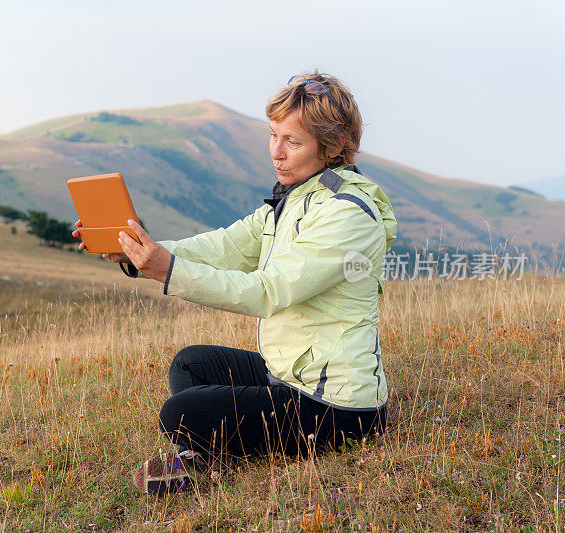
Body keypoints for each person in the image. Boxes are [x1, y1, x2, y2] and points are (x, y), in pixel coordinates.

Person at [72, 71, 397, 496]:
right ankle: (213, 451)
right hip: (286, 373)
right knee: (191, 364)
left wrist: (166, 270)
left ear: (334, 146)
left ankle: (205, 452)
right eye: (273, 136)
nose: (276, 153)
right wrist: (139, 251)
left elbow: (268, 292)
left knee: (181, 414)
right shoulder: (292, 199)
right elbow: (225, 246)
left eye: (292, 142)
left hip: (335, 406)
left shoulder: (346, 214)